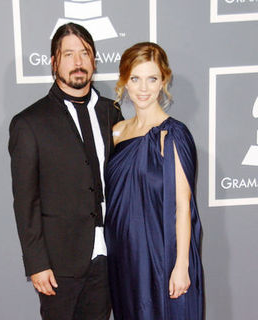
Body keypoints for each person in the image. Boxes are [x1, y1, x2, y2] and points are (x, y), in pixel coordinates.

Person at [8, 23, 122, 320]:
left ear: (94, 60)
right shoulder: (29, 123)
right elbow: (25, 201)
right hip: (59, 264)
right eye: (68, 54)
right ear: (53, 62)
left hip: (111, 256)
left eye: (84, 53)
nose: (78, 61)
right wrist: (36, 263)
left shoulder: (113, 112)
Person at [104, 42, 204, 320]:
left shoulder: (173, 134)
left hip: (161, 252)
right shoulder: (117, 132)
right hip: (124, 253)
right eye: (135, 78)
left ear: (163, 81)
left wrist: (182, 265)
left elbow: (184, 207)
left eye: (152, 79)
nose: (143, 88)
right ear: (124, 81)